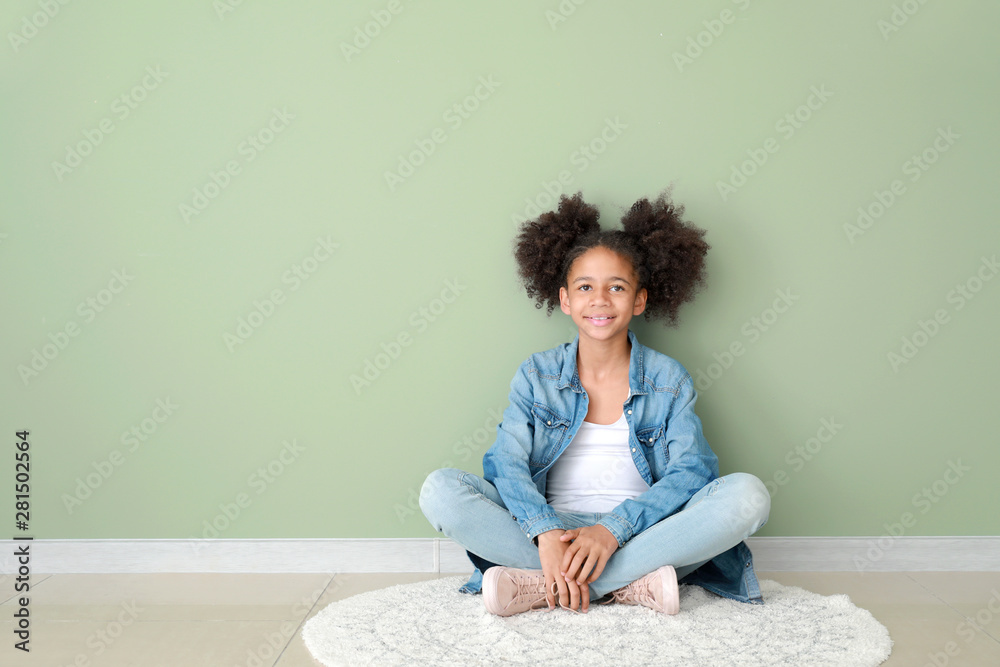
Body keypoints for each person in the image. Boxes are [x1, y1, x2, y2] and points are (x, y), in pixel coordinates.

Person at [419, 190, 771, 617]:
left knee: (748, 495)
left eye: (617, 287)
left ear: (639, 299)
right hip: (551, 532)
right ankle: (629, 583)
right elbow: (505, 464)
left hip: (640, 532)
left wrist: (612, 529)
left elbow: (692, 472)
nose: (600, 300)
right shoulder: (536, 374)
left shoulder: (668, 378)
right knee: (440, 490)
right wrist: (544, 532)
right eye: (585, 287)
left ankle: (540, 586)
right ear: (565, 299)